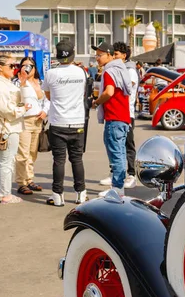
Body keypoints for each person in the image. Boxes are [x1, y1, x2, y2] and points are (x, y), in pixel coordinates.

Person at [42, 40, 89, 206]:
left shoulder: (51, 73)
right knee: (77, 159)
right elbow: (84, 93)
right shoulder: (81, 72)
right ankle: (81, 194)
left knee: (59, 160)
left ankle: (57, 196)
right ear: (72, 55)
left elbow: (48, 95)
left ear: (57, 55)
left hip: (58, 122)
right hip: (77, 122)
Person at [0, 55, 31, 204]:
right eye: (11, 66)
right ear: (0, 67)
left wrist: (22, 83)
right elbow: (2, 108)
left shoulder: (3, 82)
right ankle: (5, 194)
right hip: (7, 127)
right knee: (6, 161)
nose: (14, 68)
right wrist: (21, 110)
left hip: (6, 126)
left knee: (1, 161)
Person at [92, 41, 133, 197]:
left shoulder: (110, 71)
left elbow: (108, 92)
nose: (97, 58)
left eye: (100, 55)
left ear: (109, 55)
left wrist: (97, 101)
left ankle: (117, 188)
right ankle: (119, 187)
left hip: (114, 118)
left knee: (116, 153)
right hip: (122, 117)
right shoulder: (121, 69)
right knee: (120, 152)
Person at [14, 56, 50, 196]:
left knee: (32, 153)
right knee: (23, 153)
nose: (27, 68)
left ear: (35, 68)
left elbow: (47, 99)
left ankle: (29, 179)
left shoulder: (40, 82)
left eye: (30, 66)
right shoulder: (18, 83)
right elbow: (17, 101)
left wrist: (45, 112)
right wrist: (23, 82)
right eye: (24, 65)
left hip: (38, 121)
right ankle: (21, 182)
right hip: (24, 120)